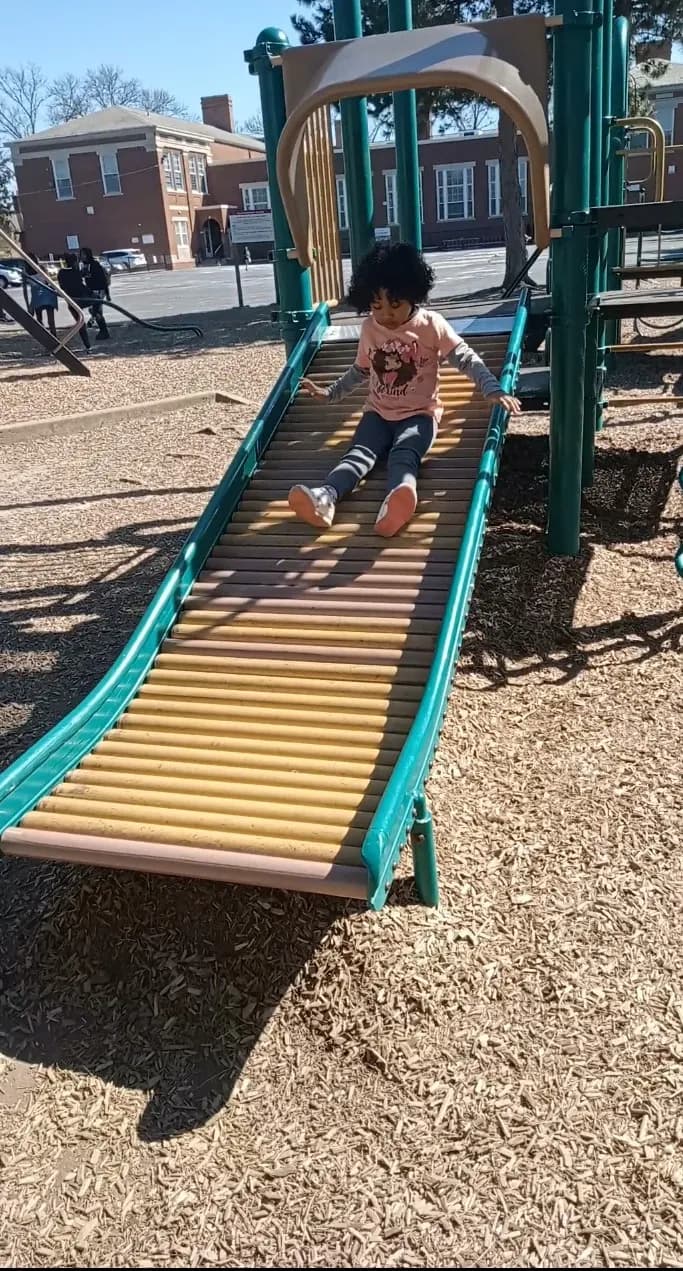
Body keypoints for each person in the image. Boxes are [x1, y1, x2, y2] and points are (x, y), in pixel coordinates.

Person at [288, 242, 521, 538]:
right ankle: (326, 497)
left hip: (419, 415)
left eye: (395, 304)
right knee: (358, 453)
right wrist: (330, 392)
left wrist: (492, 389)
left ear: (413, 294)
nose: (385, 314)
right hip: (378, 413)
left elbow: (464, 357)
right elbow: (361, 370)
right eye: (376, 306)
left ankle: (399, 498)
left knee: (405, 452)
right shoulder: (370, 329)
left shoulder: (430, 324)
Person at [57, 252, 90, 350]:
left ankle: (87, 343)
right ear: (75, 262)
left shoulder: (61, 273)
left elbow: (62, 286)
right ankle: (87, 343)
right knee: (82, 320)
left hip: (71, 300)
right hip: (80, 298)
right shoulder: (75, 272)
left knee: (80, 321)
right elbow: (81, 285)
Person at [25, 253, 58, 337]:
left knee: (44, 319)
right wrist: (29, 305)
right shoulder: (28, 271)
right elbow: (48, 281)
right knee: (44, 320)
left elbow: (49, 281)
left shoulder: (36, 269)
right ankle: (51, 337)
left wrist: (29, 305)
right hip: (42, 295)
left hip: (42, 295)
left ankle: (51, 337)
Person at [80, 248, 110, 340]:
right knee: (93, 310)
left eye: (84, 254)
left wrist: (107, 293)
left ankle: (104, 331)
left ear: (88, 255)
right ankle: (101, 328)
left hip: (98, 290)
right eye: (81, 254)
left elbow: (103, 279)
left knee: (97, 311)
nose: (82, 256)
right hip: (91, 291)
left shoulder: (95, 265)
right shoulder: (84, 265)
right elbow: (82, 277)